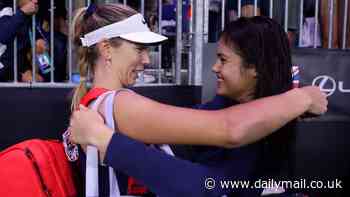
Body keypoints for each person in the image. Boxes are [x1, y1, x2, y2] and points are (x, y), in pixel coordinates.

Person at [68, 3, 327, 196]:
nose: (147, 60)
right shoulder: (119, 104)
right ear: (105, 49)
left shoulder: (97, 104)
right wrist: (302, 98)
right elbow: (229, 129)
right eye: (139, 49)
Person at [0, 0, 43, 82]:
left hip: (16, 66)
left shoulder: (30, 15)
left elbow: (35, 39)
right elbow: (3, 36)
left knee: (38, 80)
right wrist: (23, 12)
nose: (35, 1)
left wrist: (39, 42)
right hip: (4, 68)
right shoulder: (5, 9)